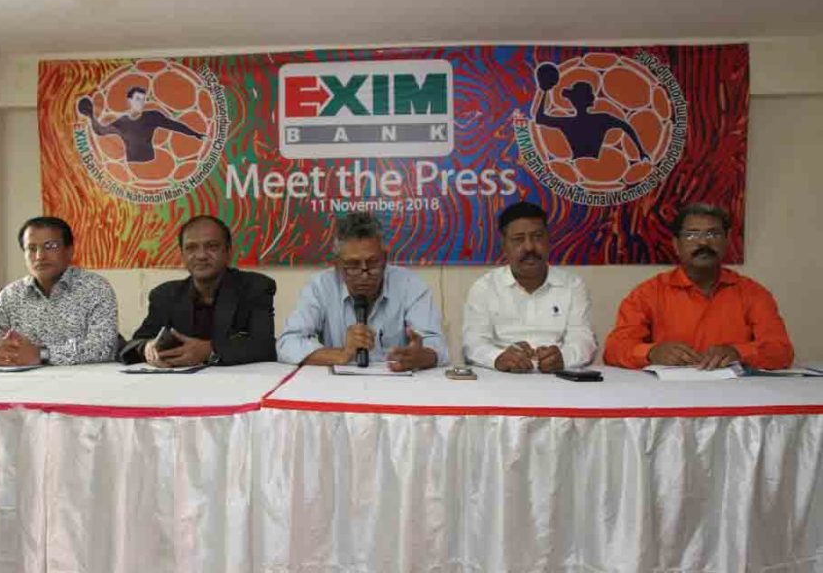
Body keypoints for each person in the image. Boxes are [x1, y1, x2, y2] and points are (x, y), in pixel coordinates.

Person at [603, 203, 794, 370]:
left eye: (713, 233)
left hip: (737, 397)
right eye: (691, 235)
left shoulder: (753, 293)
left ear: (727, 241)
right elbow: (614, 350)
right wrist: (651, 352)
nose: (703, 242)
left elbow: (781, 351)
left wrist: (738, 353)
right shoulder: (648, 294)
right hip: (667, 397)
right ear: (676, 244)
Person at [277, 212, 448, 371]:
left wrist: (420, 357)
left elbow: (437, 345)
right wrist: (342, 354)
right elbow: (287, 343)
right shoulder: (320, 286)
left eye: (373, 263)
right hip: (337, 392)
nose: (364, 275)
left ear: (385, 258)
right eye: (352, 265)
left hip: (397, 387)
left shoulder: (411, 285)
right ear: (336, 264)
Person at [0, 216, 118, 366]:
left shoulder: (94, 288)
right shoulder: (12, 295)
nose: (40, 256)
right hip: (19, 388)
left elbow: (104, 348)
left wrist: (42, 355)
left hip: (81, 387)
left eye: (50, 246)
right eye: (31, 248)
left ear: (69, 251)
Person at [119, 215, 276, 367]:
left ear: (228, 252)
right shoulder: (165, 295)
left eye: (212, 246)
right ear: (183, 254)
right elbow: (134, 343)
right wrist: (147, 347)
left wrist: (209, 351)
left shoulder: (255, 287)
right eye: (191, 248)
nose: (201, 256)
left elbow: (265, 346)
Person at [463, 201, 596, 372]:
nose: (529, 247)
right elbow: (473, 344)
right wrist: (497, 358)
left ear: (549, 240)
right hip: (501, 380)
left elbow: (583, 340)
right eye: (518, 239)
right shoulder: (484, 287)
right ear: (504, 245)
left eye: (537, 237)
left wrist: (564, 357)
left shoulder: (572, 285)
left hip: (559, 379)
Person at [77, 86, 205, 163]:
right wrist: (91, 116)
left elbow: (175, 125)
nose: (141, 103)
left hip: (151, 164)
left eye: (143, 99)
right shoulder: (122, 122)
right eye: (138, 99)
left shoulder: (152, 116)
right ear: (129, 100)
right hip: (131, 166)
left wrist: (195, 134)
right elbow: (101, 131)